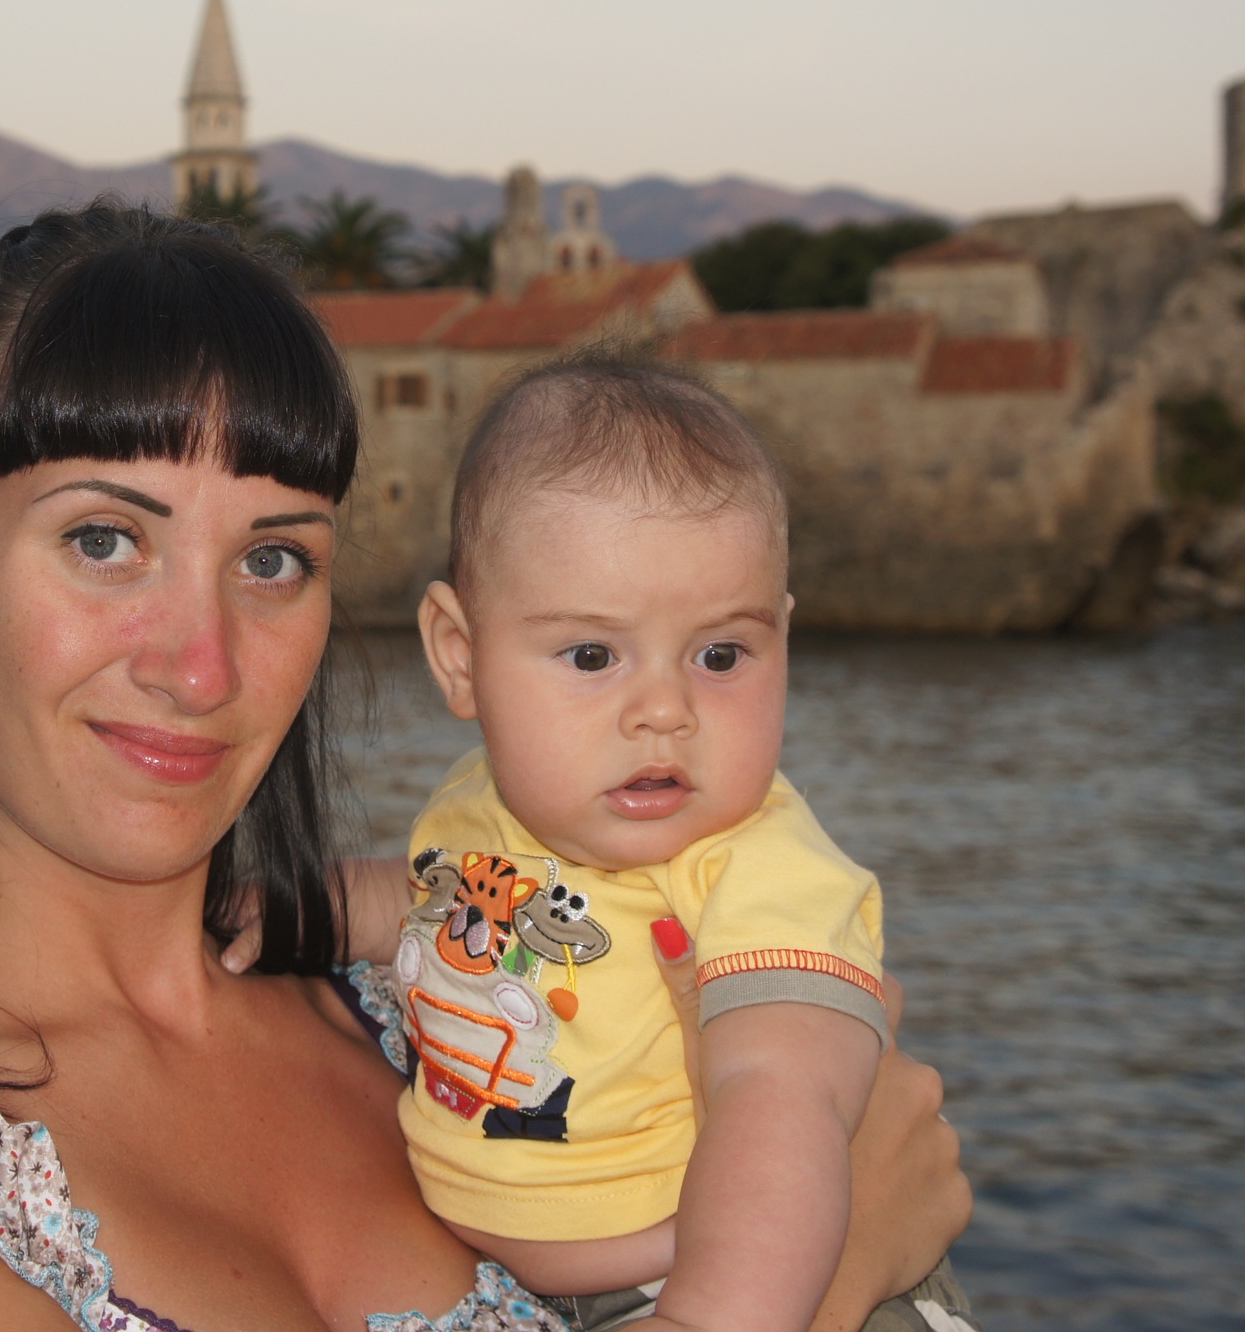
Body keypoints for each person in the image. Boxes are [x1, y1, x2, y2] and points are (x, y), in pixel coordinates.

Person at [0, 204, 970, 1332]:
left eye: (272, 560)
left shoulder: (425, 1013)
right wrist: (836, 1275)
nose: (201, 666)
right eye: (104, 540)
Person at [383, 357, 971, 1332]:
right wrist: (297, 908)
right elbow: (422, 902)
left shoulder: (762, 872)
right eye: (592, 656)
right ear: (461, 656)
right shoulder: (480, 803)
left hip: (720, 1283)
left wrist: (704, 1317)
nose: (664, 709)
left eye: (720, 655)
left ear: (784, 640)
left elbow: (781, 1109)